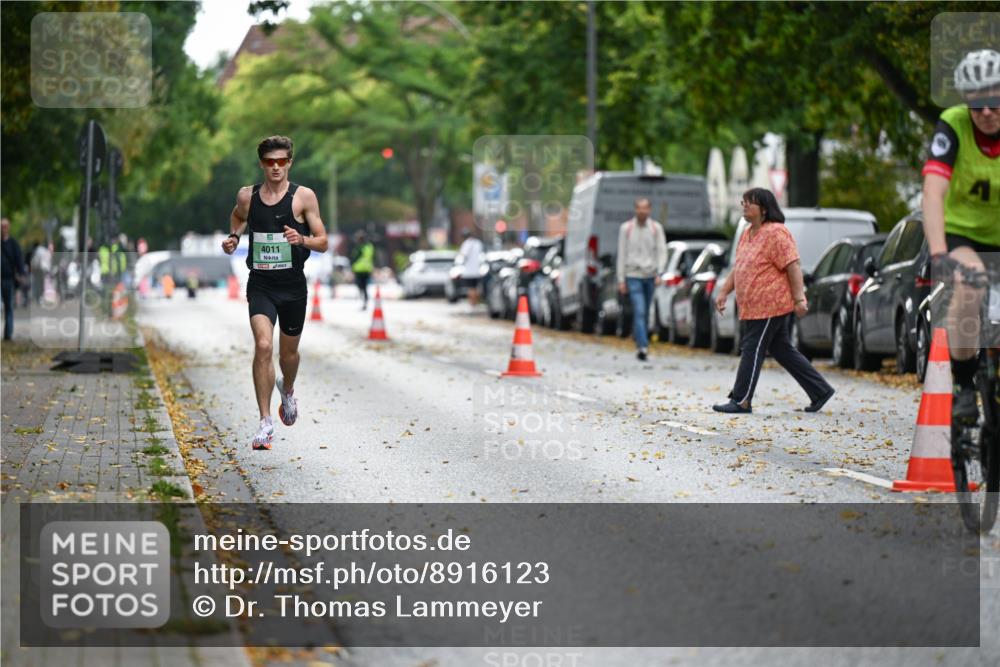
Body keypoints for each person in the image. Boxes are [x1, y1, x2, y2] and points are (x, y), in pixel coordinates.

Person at [222, 136, 329, 450]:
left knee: (288, 355)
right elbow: (238, 218)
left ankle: (289, 390)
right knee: (264, 345)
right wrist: (233, 237)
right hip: (262, 284)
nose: (276, 167)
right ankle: (265, 423)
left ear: (290, 162)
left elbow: (323, 240)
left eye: (282, 161)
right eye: (270, 162)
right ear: (262, 164)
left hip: (293, 286)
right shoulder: (247, 197)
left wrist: (302, 239)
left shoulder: (303, 197)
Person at [921, 48, 1000, 427]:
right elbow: (933, 192)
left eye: (995, 102)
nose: (986, 112)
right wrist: (939, 254)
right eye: (977, 104)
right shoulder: (952, 125)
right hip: (962, 233)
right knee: (970, 283)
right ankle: (965, 385)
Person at [711, 188, 835, 414]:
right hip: (752, 306)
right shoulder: (747, 234)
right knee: (781, 349)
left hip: (771, 303)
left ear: (765, 210)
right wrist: (723, 292)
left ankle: (741, 399)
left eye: (750, 203)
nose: (745, 206)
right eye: (743, 202)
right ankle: (820, 390)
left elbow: (793, 265)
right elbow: (738, 267)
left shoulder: (776, 233)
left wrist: (799, 299)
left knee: (752, 347)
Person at [616, 198, 666, 361]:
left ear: (649, 210)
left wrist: (660, 272)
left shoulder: (656, 228)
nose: (642, 211)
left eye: (645, 208)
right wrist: (621, 279)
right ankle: (643, 345)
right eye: (639, 208)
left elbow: (661, 252)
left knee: (645, 312)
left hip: (650, 276)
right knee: (640, 309)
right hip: (633, 276)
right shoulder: (626, 228)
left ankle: (639, 338)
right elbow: (621, 254)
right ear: (635, 209)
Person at [1, 218, 27, 340]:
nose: (3, 229)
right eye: (1, 226)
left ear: (8, 228)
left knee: (8, 307)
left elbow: (19, 259)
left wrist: (21, 274)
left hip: (8, 279)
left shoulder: (13, 244)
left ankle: (8, 334)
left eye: (5, 226)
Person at [458, 229, 484, 306]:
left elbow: (463, 255)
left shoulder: (466, 244)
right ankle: (477, 303)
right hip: (478, 270)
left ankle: (472, 304)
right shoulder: (478, 243)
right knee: (476, 288)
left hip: (469, 270)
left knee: (471, 288)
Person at [350, 230, 374, 310]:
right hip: (367, 269)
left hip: (359, 270)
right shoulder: (370, 246)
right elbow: (373, 258)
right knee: (365, 287)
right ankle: (365, 300)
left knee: (360, 286)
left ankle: (364, 300)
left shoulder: (359, 247)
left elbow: (354, 258)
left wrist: (352, 266)